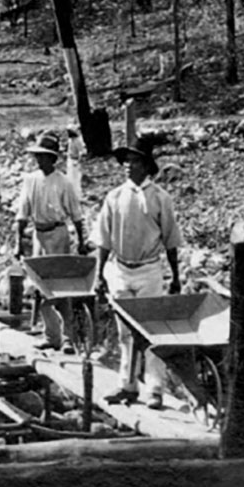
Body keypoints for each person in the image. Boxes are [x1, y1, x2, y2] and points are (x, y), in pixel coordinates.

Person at [93, 136, 183, 410]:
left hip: (149, 271)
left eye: (133, 162)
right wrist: (99, 274)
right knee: (125, 333)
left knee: (151, 331)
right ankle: (127, 384)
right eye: (126, 162)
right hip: (121, 270)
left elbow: (170, 240)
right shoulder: (115, 197)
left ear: (146, 166)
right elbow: (104, 239)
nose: (128, 167)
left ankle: (155, 388)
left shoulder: (160, 198)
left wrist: (175, 276)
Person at [14, 132, 88, 355]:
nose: (40, 161)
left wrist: (82, 242)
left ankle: (67, 338)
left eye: (44, 157)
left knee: (61, 287)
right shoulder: (30, 180)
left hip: (58, 234)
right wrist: (19, 242)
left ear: (53, 159)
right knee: (41, 287)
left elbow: (76, 214)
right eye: (38, 156)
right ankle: (51, 335)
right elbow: (22, 212)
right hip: (39, 234)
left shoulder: (63, 182)